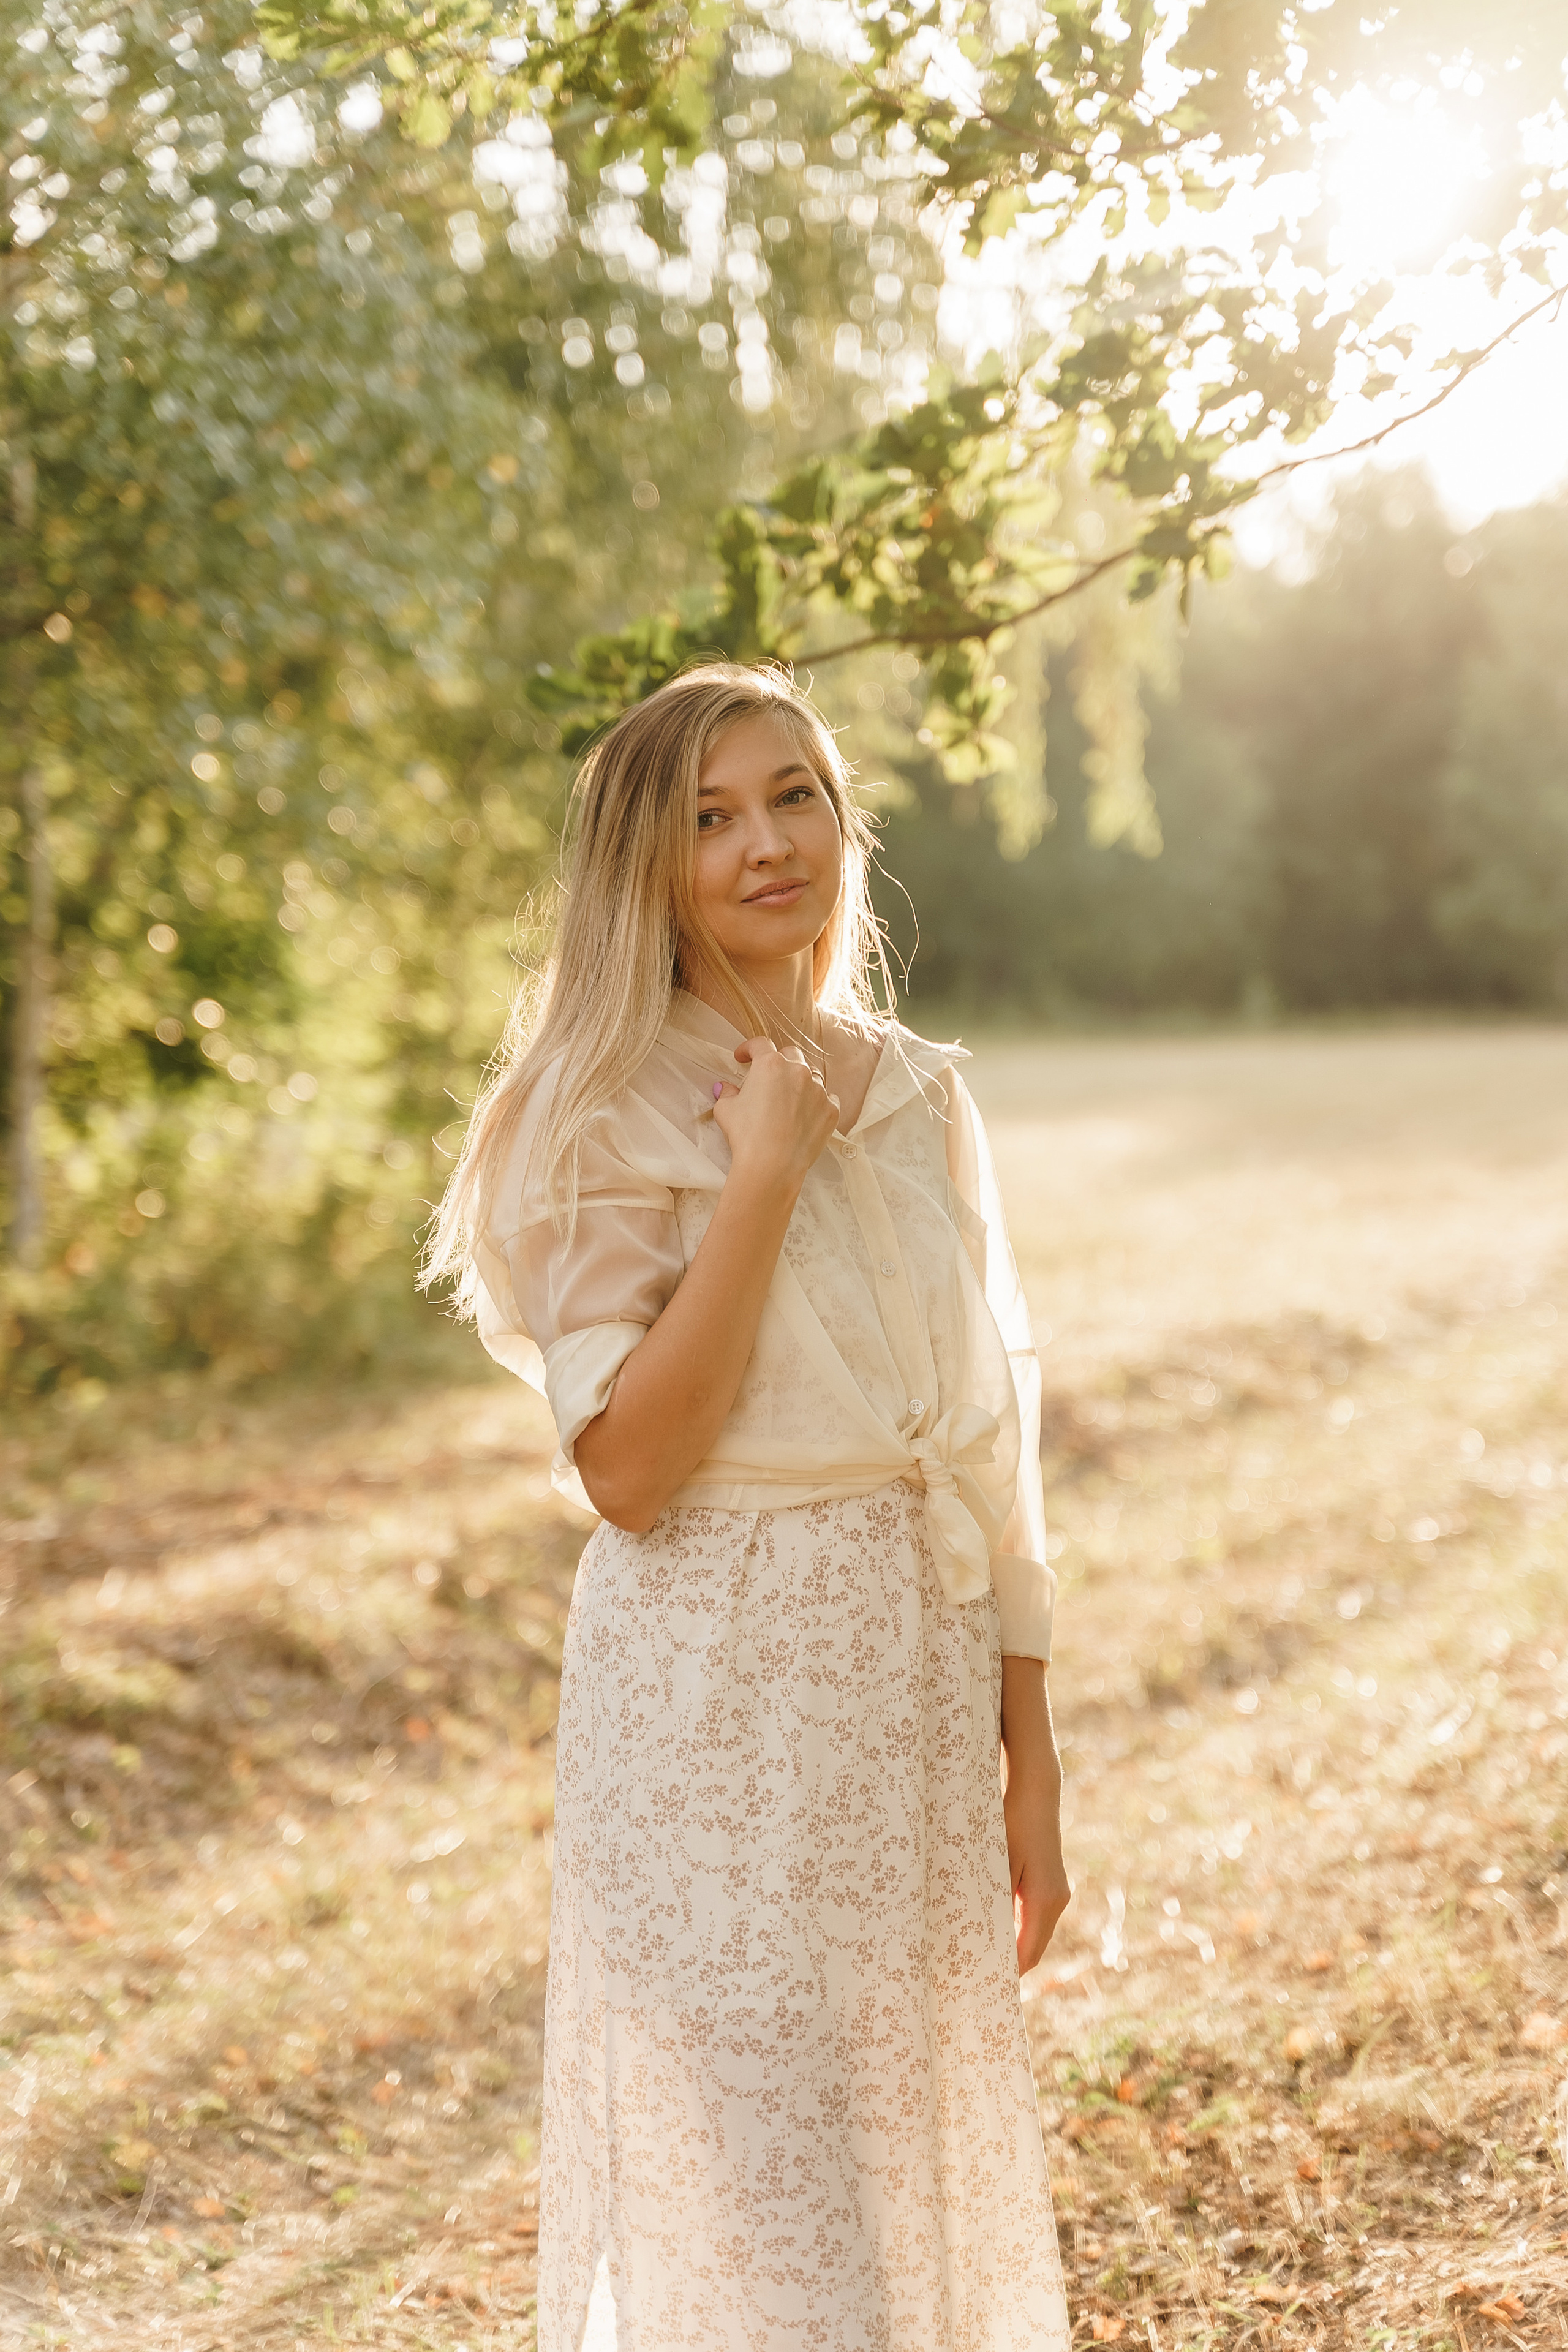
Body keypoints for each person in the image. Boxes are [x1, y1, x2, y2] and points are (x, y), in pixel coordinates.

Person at [425, 662, 1071, 2350]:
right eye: (710, 818)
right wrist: (763, 1173)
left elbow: (991, 1429)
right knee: (759, 2212)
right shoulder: (594, 1109)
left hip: (910, 1691)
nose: (766, 843)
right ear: (644, 864)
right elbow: (631, 1474)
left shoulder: (918, 1087)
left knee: (901, 2181)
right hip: (716, 1699)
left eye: (795, 796)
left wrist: (1032, 1752)